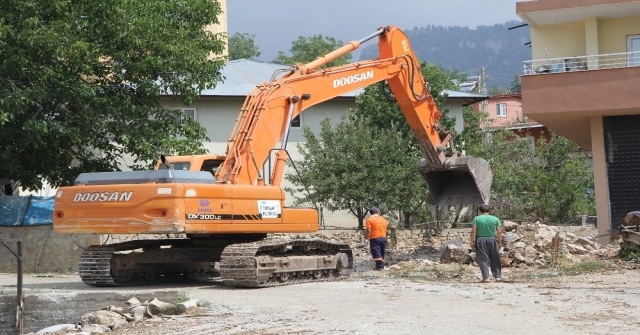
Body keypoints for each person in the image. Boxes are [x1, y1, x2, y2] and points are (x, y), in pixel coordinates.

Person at [470, 204, 503, 282]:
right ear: (489, 211)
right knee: (495, 257)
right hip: (492, 239)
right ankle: (498, 276)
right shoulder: (495, 219)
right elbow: (499, 231)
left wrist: (472, 241)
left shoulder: (476, 219)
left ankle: (486, 278)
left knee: (482, 258)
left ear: (480, 211)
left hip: (480, 239)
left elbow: (473, 231)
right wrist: (500, 242)